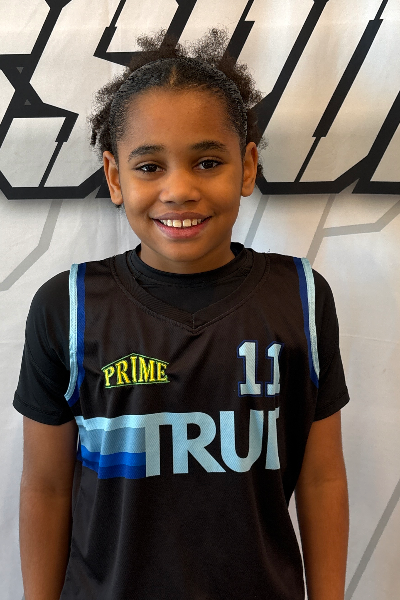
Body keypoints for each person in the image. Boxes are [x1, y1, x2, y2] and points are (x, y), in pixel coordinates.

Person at [15, 28, 349, 600]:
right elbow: (45, 488)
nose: (179, 190)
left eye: (207, 162)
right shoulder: (66, 306)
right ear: (115, 177)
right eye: (149, 167)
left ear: (247, 167)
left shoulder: (301, 297)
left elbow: (321, 479)